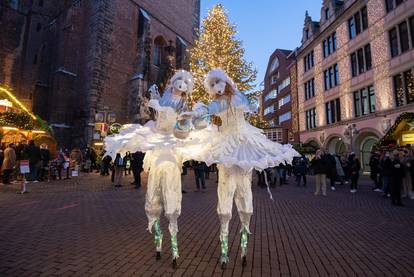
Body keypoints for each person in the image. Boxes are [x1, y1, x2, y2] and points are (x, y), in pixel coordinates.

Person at [179, 69, 298, 268]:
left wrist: (233, 96)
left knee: (245, 198)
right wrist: (195, 113)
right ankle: (224, 249)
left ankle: (244, 245)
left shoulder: (238, 98)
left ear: (226, 82)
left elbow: (247, 106)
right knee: (225, 200)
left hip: (243, 145)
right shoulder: (216, 104)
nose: (219, 87)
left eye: (221, 82)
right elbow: (206, 112)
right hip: (226, 148)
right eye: (214, 85)